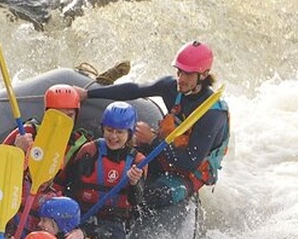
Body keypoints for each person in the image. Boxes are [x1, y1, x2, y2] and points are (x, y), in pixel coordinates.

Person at [74, 41, 230, 215]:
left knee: (152, 196)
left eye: (187, 74)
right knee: (115, 159)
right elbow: (134, 90)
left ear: (204, 74)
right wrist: (88, 94)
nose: (181, 79)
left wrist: (152, 140)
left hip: (190, 173)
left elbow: (189, 163)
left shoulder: (212, 114)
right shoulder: (173, 87)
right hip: (164, 151)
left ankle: (119, 222)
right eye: (179, 72)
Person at [0, 84, 93, 236]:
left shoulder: (80, 146)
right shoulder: (27, 133)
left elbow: (78, 196)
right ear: (47, 114)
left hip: (47, 214)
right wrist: (17, 150)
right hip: (12, 202)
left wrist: (81, 230)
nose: (62, 121)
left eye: (69, 116)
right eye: (57, 115)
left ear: (76, 116)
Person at [62, 101, 145, 239]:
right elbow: (70, 189)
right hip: (83, 214)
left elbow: (136, 200)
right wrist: (72, 223)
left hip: (114, 222)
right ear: (103, 129)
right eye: (109, 130)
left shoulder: (138, 161)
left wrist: (135, 183)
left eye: (119, 132)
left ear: (129, 133)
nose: (113, 137)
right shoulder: (89, 151)